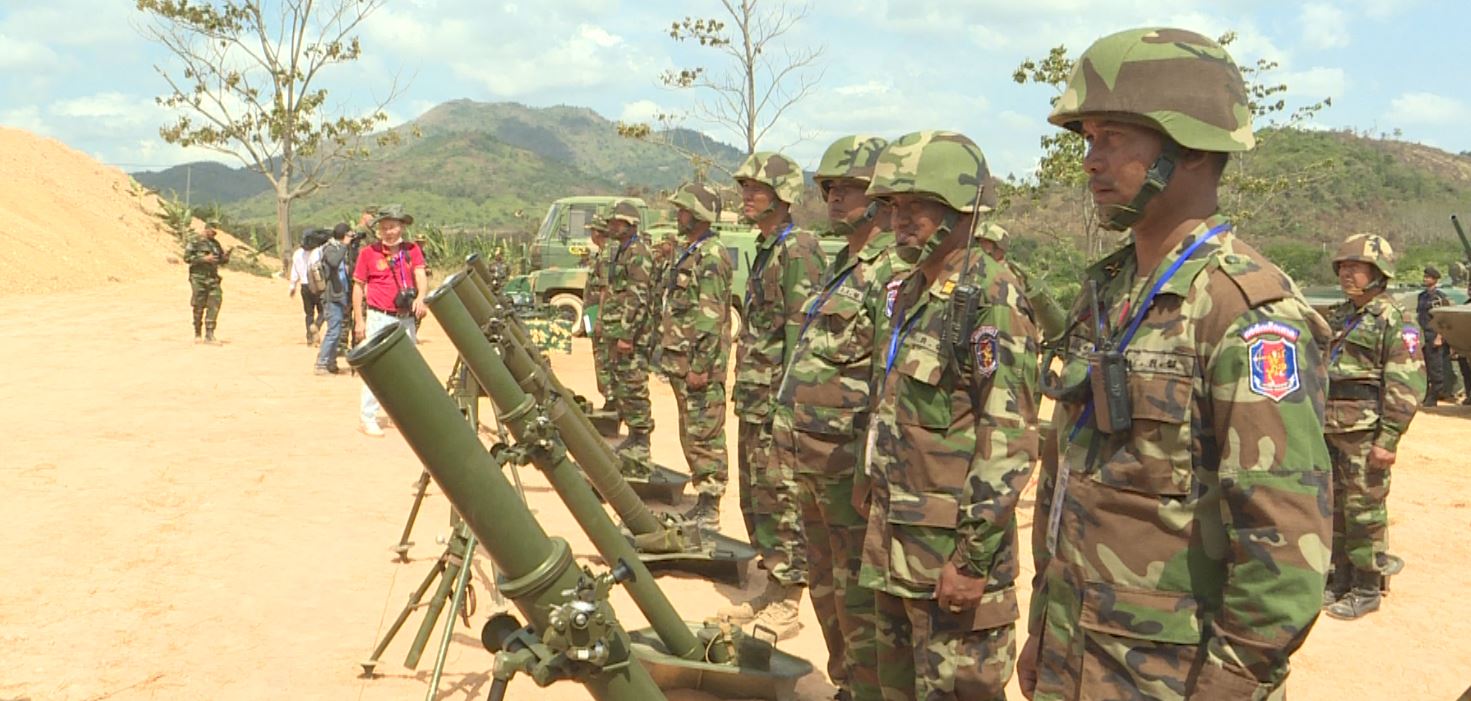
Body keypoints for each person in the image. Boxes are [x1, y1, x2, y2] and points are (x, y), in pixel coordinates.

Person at [1018, 28, 1334, 700]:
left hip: (1170, 676)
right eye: (1087, 139)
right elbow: (1069, 478)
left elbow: (1284, 537)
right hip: (1077, 653)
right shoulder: (1109, 293)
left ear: (1189, 147)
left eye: (1112, 138)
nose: (1090, 161)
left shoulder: (1247, 314)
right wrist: (1045, 624)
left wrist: (1232, 681)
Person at [854, 131, 1038, 700]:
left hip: (949, 560)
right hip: (895, 544)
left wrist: (972, 558)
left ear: (961, 208)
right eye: (893, 205)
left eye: (918, 205)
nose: (900, 219)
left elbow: (1008, 437)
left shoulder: (991, 298)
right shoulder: (910, 290)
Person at [769, 134, 897, 694]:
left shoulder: (891, 271)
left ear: (882, 194)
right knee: (827, 588)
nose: (835, 198)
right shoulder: (842, 264)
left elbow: (888, 380)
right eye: (828, 188)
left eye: (849, 188)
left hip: (850, 471)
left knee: (859, 598)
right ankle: (847, 683)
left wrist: (871, 471)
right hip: (812, 462)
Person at [718, 151, 825, 640]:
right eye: (744, 187)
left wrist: (790, 403)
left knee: (781, 498)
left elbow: (801, 335)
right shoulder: (768, 247)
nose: (746, 195)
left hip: (778, 401)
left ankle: (789, 598)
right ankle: (773, 585)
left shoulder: (798, 249)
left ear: (783, 196)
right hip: (756, 396)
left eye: (756, 189)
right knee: (757, 496)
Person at [1322, 233, 1426, 620]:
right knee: (1334, 507)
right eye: (1343, 267)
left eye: (1356, 267)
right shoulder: (1339, 315)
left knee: (1364, 510)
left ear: (1379, 273)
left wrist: (1389, 437)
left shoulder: (1395, 320)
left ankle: (1366, 587)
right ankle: (1340, 578)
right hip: (1330, 427)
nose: (1347, 273)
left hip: (1366, 433)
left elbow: (1407, 383)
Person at [657, 182, 734, 528]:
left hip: (699, 367)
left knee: (705, 435)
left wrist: (700, 365)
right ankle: (703, 501)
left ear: (700, 214)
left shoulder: (711, 256)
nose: (678, 215)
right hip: (683, 363)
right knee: (691, 433)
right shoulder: (692, 251)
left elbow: (710, 316)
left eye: (684, 210)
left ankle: (710, 507)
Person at [352, 205, 427, 437]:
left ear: (402, 227)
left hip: (405, 318)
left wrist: (421, 298)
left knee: (407, 367)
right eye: (384, 228)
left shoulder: (412, 250)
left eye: (392, 227)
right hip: (379, 316)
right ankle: (368, 417)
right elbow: (358, 287)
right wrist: (359, 320)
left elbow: (420, 274)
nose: (388, 232)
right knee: (377, 369)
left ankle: (403, 414)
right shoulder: (368, 253)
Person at [602, 200, 657, 463]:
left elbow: (638, 296)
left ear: (631, 225)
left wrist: (627, 334)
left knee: (634, 387)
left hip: (632, 336)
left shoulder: (638, 253)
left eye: (617, 222)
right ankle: (634, 435)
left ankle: (642, 439)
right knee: (622, 386)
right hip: (616, 332)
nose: (612, 226)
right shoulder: (621, 251)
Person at [583, 216, 616, 412]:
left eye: (592, 231)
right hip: (591, 312)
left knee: (602, 356)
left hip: (598, 313)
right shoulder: (601, 254)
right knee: (598, 352)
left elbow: (605, 289)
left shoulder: (606, 256)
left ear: (598, 233)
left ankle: (611, 397)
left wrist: (600, 318)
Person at [314, 224, 353, 375]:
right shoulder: (330, 249)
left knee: (337, 332)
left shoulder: (340, 248)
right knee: (333, 332)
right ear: (344, 234)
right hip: (331, 297)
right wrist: (344, 245)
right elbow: (334, 262)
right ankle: (321, 364)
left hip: (340, 296)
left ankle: (331, 363)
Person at [184, 219, 230, 343]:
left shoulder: (215, 244)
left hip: (213, 278)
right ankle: (197, 333)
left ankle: (210, 334)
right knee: (198, 305)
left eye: (216, 231)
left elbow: (219, 260)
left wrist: (225, 257)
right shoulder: (195, 241)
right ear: (207, 228)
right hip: (198, 278)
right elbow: (187, 258)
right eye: (213, 230)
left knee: (215, 303)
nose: (215, 233)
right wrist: (203, 259)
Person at [1417, 265, 1453, 406]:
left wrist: (1439, 336)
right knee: (1424, 367)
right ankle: (1426, 394)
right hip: (1423, 335)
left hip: (1434, 335)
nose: (1425, 279)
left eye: (1428, 277)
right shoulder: (1422, 296)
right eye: (1425, 276)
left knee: (1435, 368)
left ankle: (1434, 396)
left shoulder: (1440, 297)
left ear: (1435, 280)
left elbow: (1444, 318)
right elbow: (1420, 316)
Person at [289, 228, 327, 345]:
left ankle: (310, 338)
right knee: (323, 310)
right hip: (318, 285)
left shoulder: (297, 254)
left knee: (309, 313)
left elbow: (294, 271)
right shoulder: (319, 252)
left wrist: (292, 286)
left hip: (304, 286)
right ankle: (316, 325)